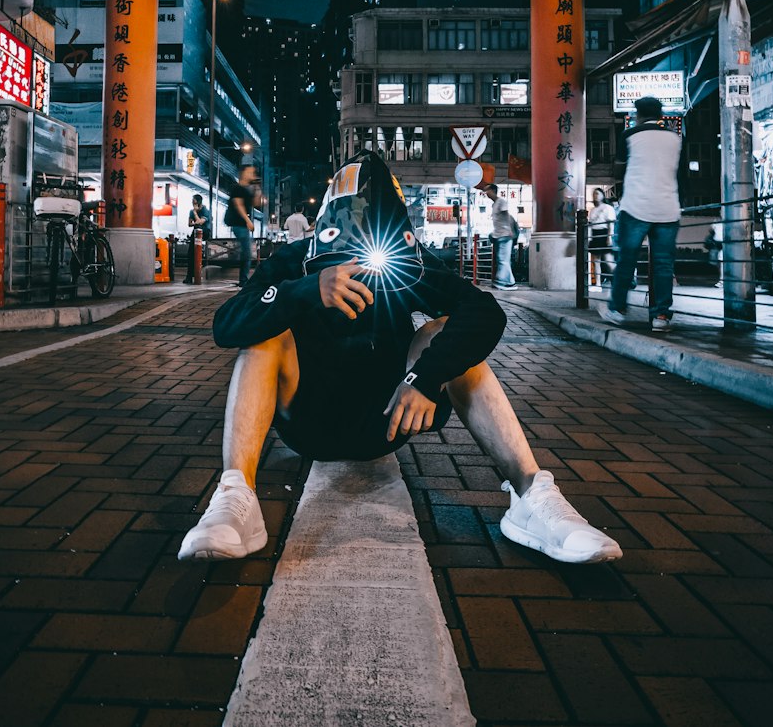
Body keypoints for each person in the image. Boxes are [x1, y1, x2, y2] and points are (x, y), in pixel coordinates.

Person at [178, 151, 621, 566]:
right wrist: (305, 290)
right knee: (263, 337)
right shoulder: (296, 258)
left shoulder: (408, 260)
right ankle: (236, 498)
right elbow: (226, 325)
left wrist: (426, 377)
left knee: (442, 332)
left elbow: (484, 312)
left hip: (386, 418)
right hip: (307, 420)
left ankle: (532, 498)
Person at [600, 96, 682, 332]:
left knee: (627, 260)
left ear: (638, 114)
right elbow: (679, 172)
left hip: (636, 207)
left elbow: (619, 166)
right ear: (660, 114)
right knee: (664, 265)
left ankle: (617, 309)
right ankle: (662, 317)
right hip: (668, 208)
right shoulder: (675, 138)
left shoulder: (629, 136)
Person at [225, 164, 257, 286]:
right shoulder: (237, 188)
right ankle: (243, 280)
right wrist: (248, 220)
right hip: (238, 224)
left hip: (242, 225)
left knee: (245, 252)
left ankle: (242, 278)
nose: (252, 175)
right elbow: (239, 205)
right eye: (250, 172)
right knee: (246, 252)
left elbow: (256, 203)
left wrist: (257, 188)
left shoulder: (246, 190)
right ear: (243, 173)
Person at [483, 182, 519, 289]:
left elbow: (506, 215)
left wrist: (510, 230)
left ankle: (502, 281)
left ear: (493, 191)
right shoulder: (494, 204)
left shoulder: (501, 202)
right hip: (500, 235)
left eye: (487, 191)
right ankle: (510, 282)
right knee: (502, 259)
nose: (486, 193)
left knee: (503, 260)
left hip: (505, 235)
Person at [587, 188, 616, 286]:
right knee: (596, 261)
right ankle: (598, 283)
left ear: (603, 195)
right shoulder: (592, 210)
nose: (596, 195)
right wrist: (590, 238)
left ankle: (618, 281)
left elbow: (610, 224)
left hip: (604, 233)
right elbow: (590, 226)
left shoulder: (607, 208)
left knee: (608, 261)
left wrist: (609, 237)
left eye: (598, 193)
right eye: (594, 194)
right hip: (595, 234)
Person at [185, 194, 211, 284]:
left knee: (198, 230)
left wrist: (196, 213)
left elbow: (200, 223)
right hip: (196, 232)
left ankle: (195, 275)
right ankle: (189, 276)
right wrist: (195, 220)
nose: (192, 202)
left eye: (194, 201)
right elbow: (189, 224)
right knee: (190, 253)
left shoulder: (205, 210)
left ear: (198, 202)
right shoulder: (191, 211)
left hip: (205, 231)